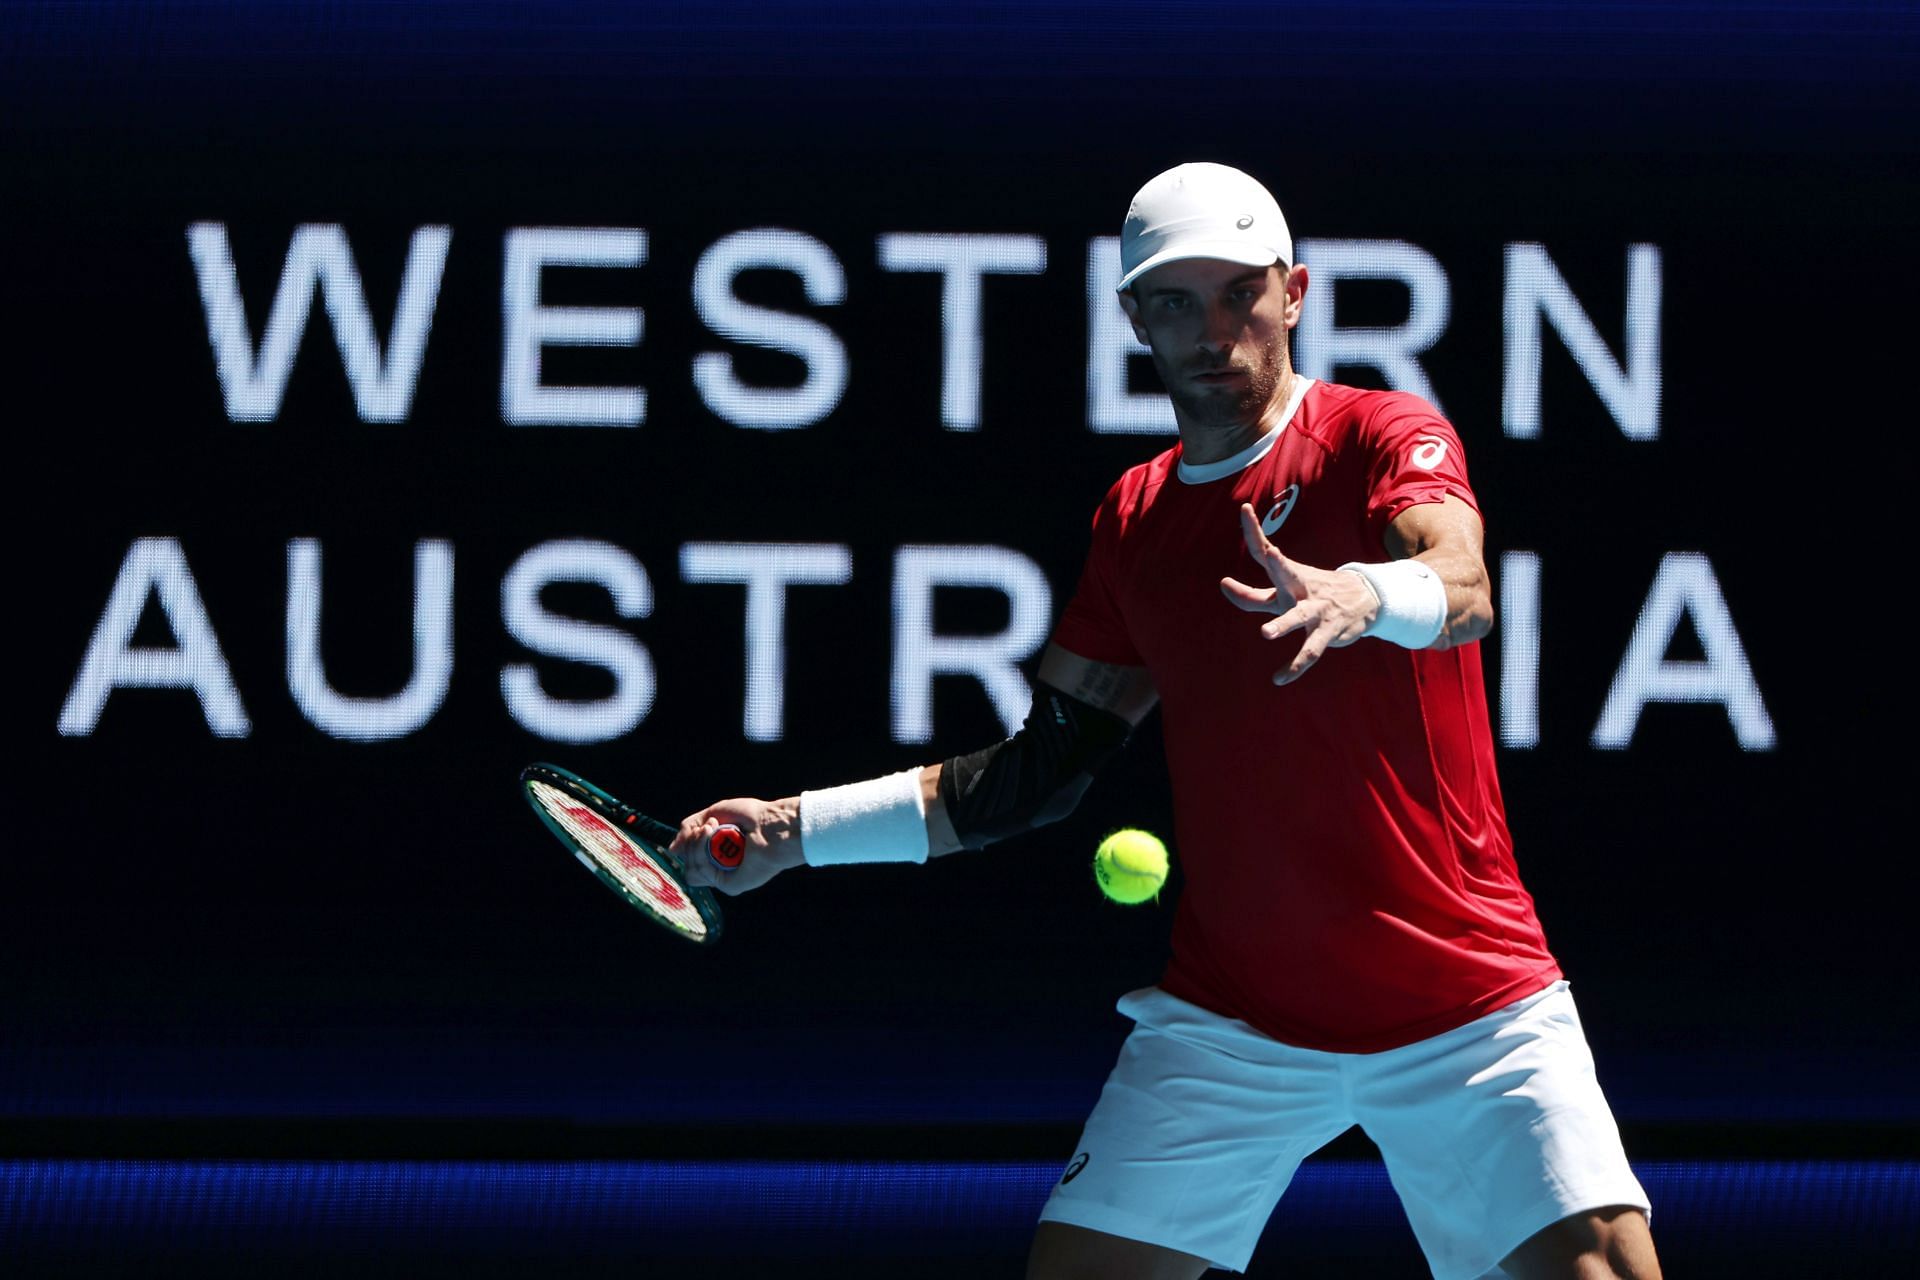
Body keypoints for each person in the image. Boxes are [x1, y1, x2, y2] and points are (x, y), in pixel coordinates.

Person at [668, 162, 1661, 1280]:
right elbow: (1035, 773)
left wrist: (1366, 593)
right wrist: (793, 830)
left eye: (1239, 293)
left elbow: (1465, 586)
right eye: (1176, 301)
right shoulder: (1136, 521)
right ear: (1135, 316)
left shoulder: (1381, 433)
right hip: (1234, 1018)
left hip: (1467, 1003)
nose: (1214, 331)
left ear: (1293, 292)